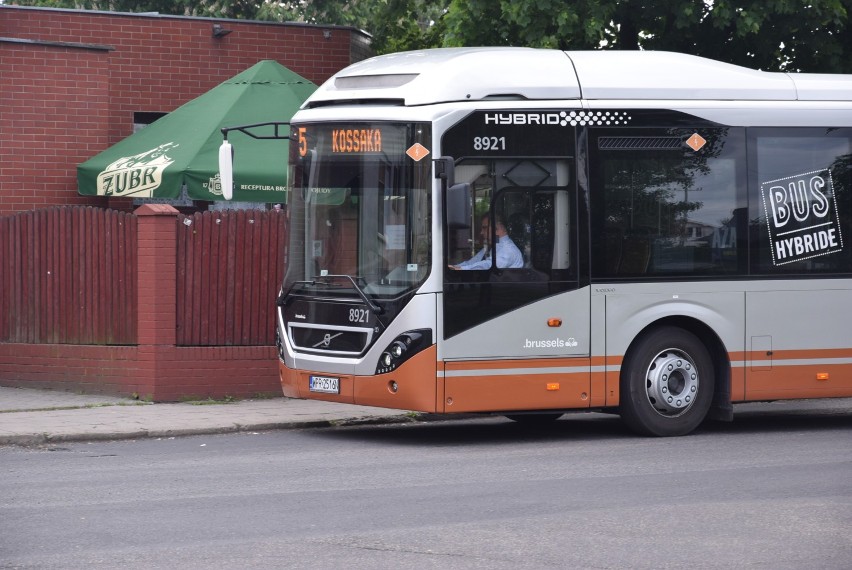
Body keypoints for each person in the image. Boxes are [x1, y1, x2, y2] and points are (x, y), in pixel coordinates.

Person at [450, 214, 523, 270]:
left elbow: (489, 264)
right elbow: (473, 262)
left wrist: (462, 269)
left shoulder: (508, 249)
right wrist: (455, 267)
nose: (481, 232)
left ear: (499, 228)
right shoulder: (491, 246)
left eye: (484, 228)